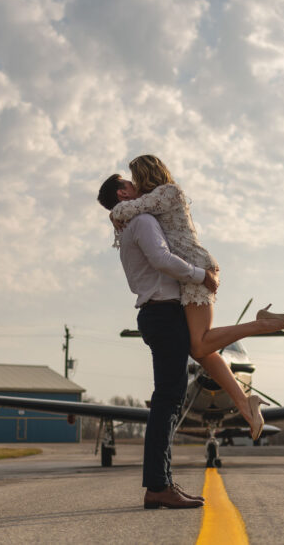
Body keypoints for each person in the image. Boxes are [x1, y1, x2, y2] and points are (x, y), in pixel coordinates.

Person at [108, 155, 284, 440]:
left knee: (199, 345)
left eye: (135, 178)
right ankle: (246, 405)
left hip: (198, 269)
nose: (134, 184)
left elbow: (129, 209)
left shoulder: (168, 192)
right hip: (189, 273)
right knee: (203, 351)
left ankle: (262, 324)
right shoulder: (154, 202)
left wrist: (115, 213)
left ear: (146, 175)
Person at [97, 174, 213, 510]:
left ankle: (161, 483)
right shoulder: (143, 221)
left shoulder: (129, 226)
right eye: (130, 183)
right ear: (123, 193)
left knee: (168, 401)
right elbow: (162, 259)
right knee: (168, 402)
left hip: (157, 313)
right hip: (163, 312)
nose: (138, 185)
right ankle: (159, 486)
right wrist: (201, 275)